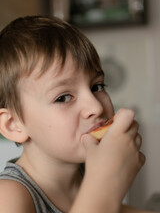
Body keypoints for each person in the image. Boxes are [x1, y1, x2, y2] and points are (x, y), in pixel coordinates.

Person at [0, 15, 154, 213]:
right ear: (13, 124)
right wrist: (105, 183)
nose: (96, 107)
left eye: (97, 86)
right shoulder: (9, 197)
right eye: (63, 97)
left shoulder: (83, 174)